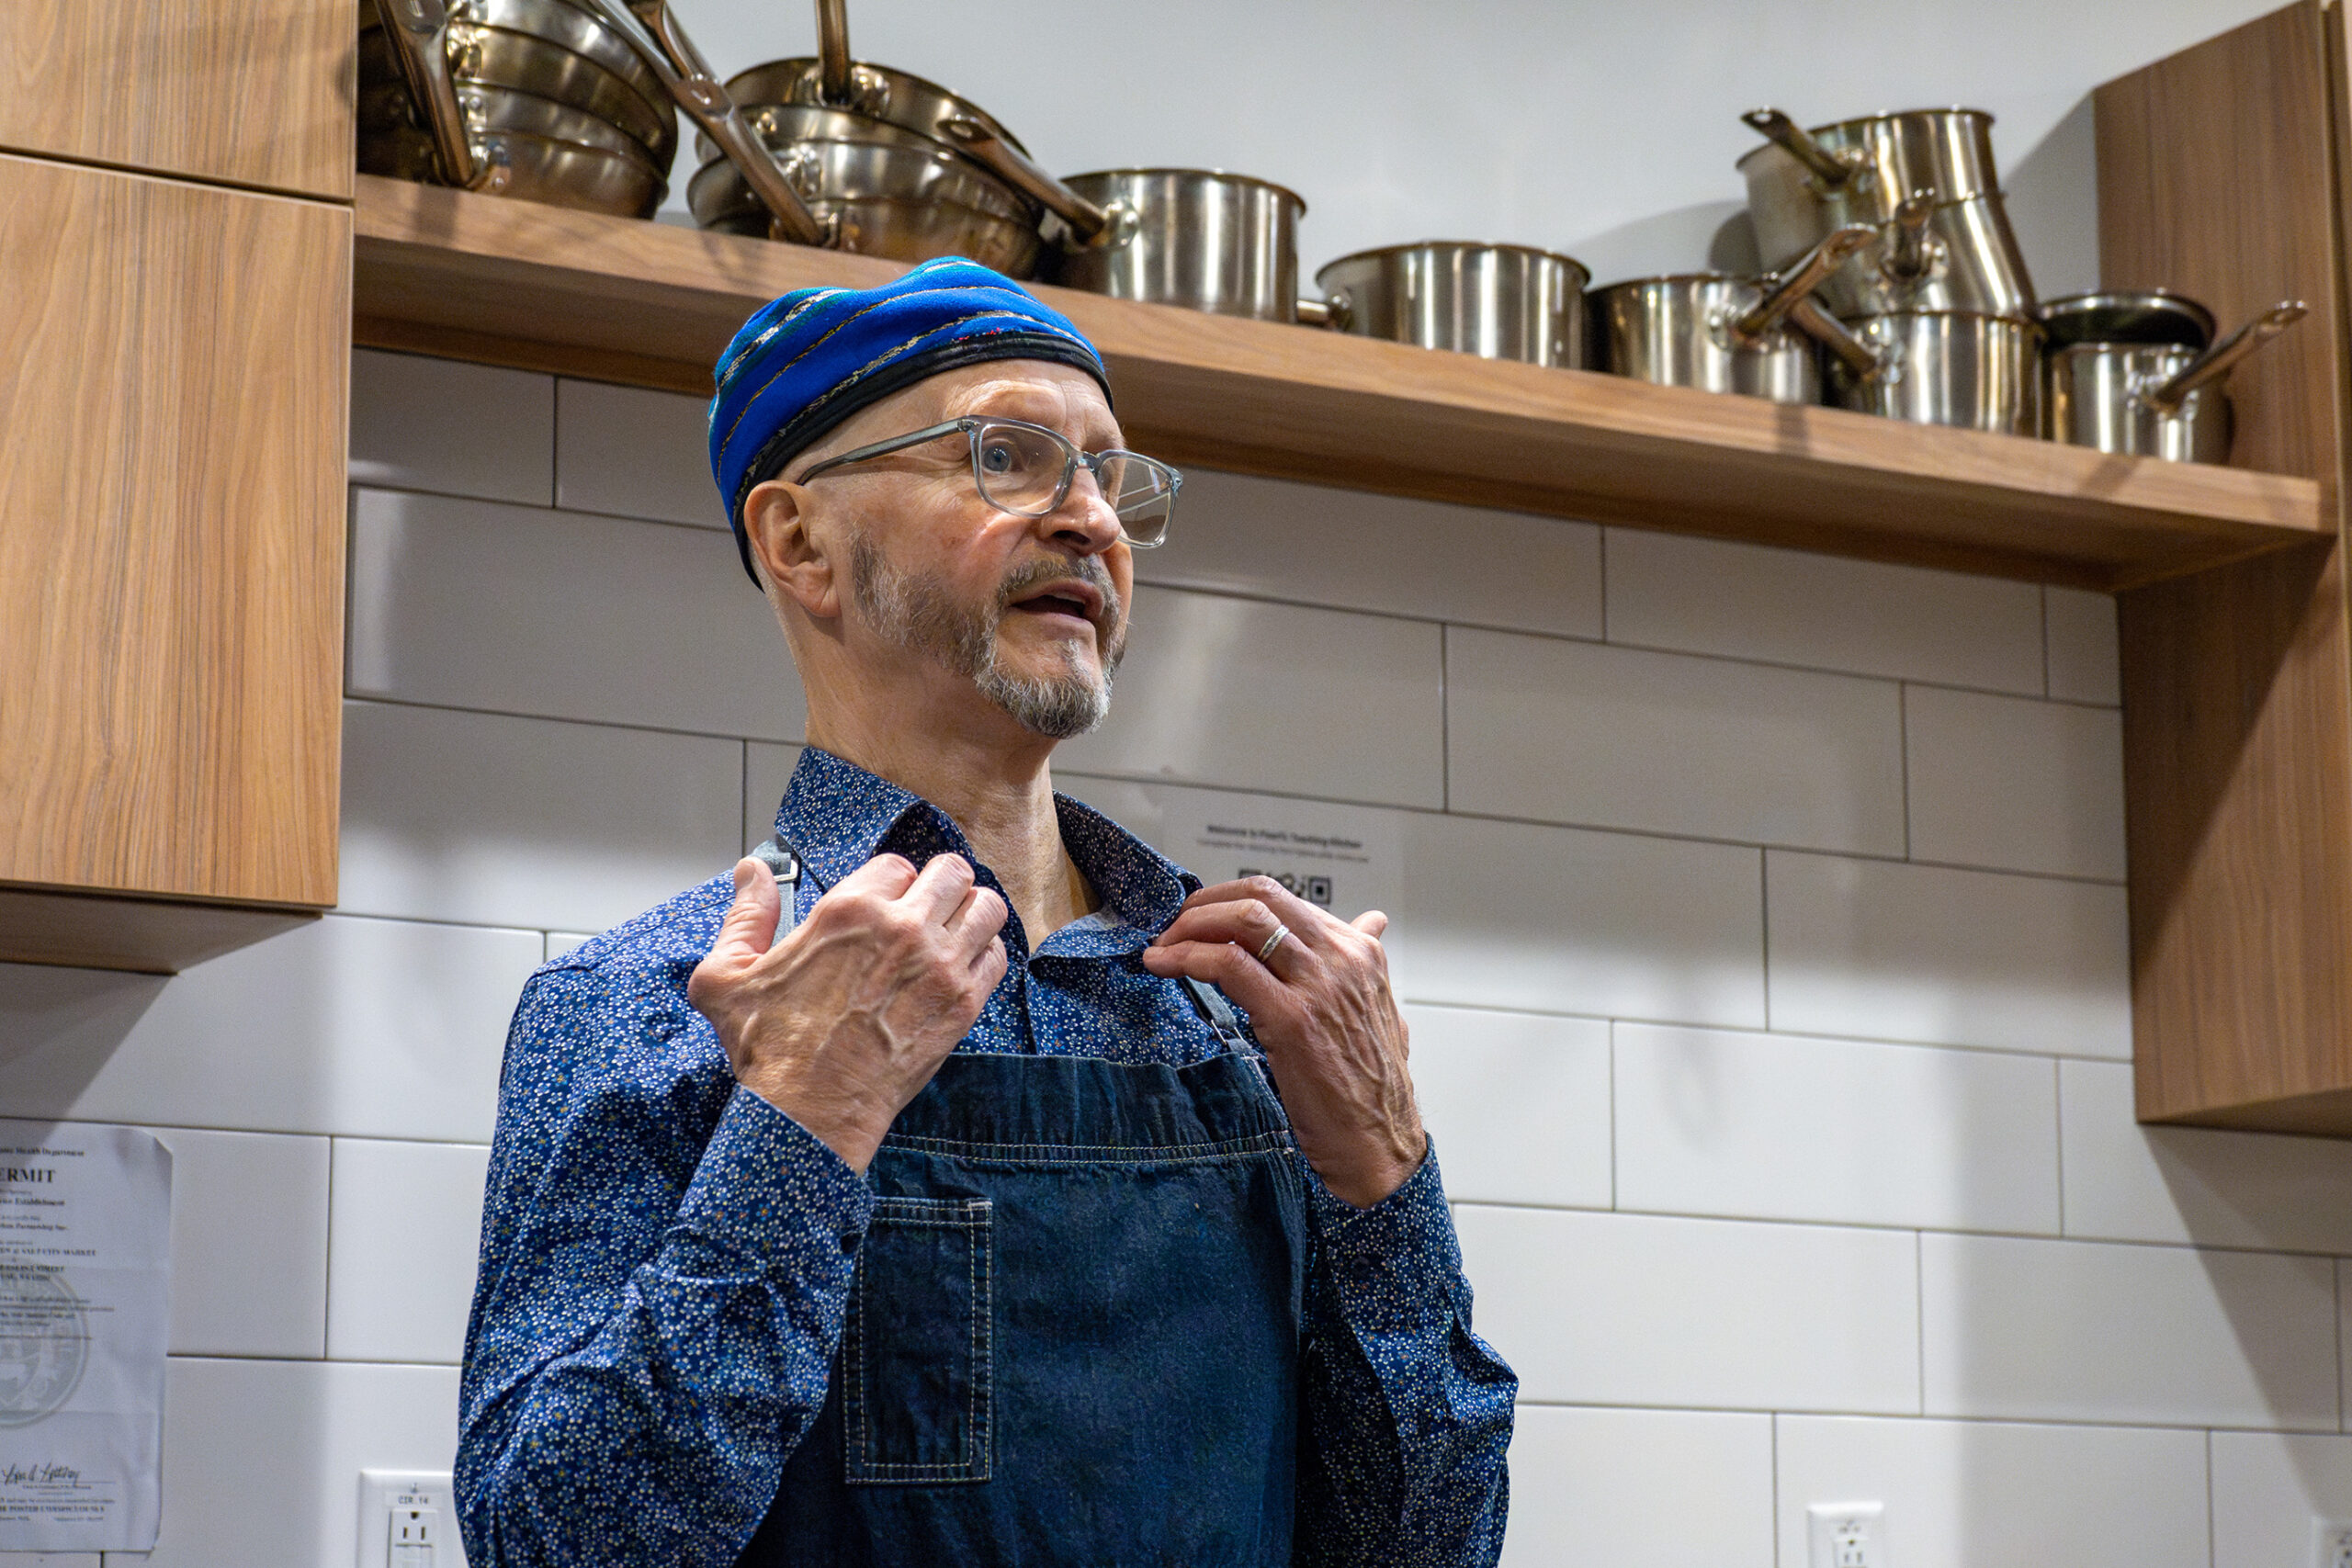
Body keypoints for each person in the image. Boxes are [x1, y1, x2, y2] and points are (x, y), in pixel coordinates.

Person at [455, 257, 1517, 1567]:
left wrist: (1387, 1180)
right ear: (801, 546)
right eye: (1007, 456)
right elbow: (550, 1548)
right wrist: (801, 1127)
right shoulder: (644, 1001)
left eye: (1112, 477)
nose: (1091, 520)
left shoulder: (1246, 1014)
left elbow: (1427, 1551)